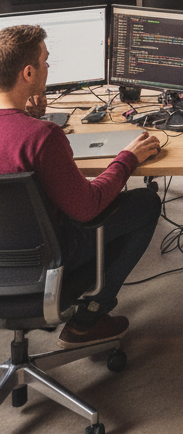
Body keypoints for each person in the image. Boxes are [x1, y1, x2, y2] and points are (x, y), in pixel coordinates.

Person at [0, 25, 161, 348]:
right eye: (46, 61)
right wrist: (126, 159)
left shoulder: (33, 131)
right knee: (144, 204)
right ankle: (90, 316)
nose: (49, 67)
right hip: (46, 263)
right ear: (28, 72)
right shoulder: (41, 137)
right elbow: (87, 206)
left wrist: (28, 115)